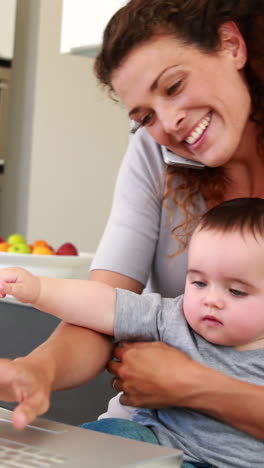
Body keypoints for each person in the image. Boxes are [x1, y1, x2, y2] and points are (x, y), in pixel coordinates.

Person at [0, 0, 263, 447]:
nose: (169, 123)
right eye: (144, 116)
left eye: (175, 85)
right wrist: (38, 371)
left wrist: (194, 384)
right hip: (150, 431)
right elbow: (105, 308)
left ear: (231, 45)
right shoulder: (155, 151)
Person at [0, 197, 264, 468]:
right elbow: (105, 304)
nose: (211, 299)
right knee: (112, 436)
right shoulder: (172, 317)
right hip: (157, 446)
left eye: (236, 291)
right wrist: (40, 290)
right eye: (199, 282)